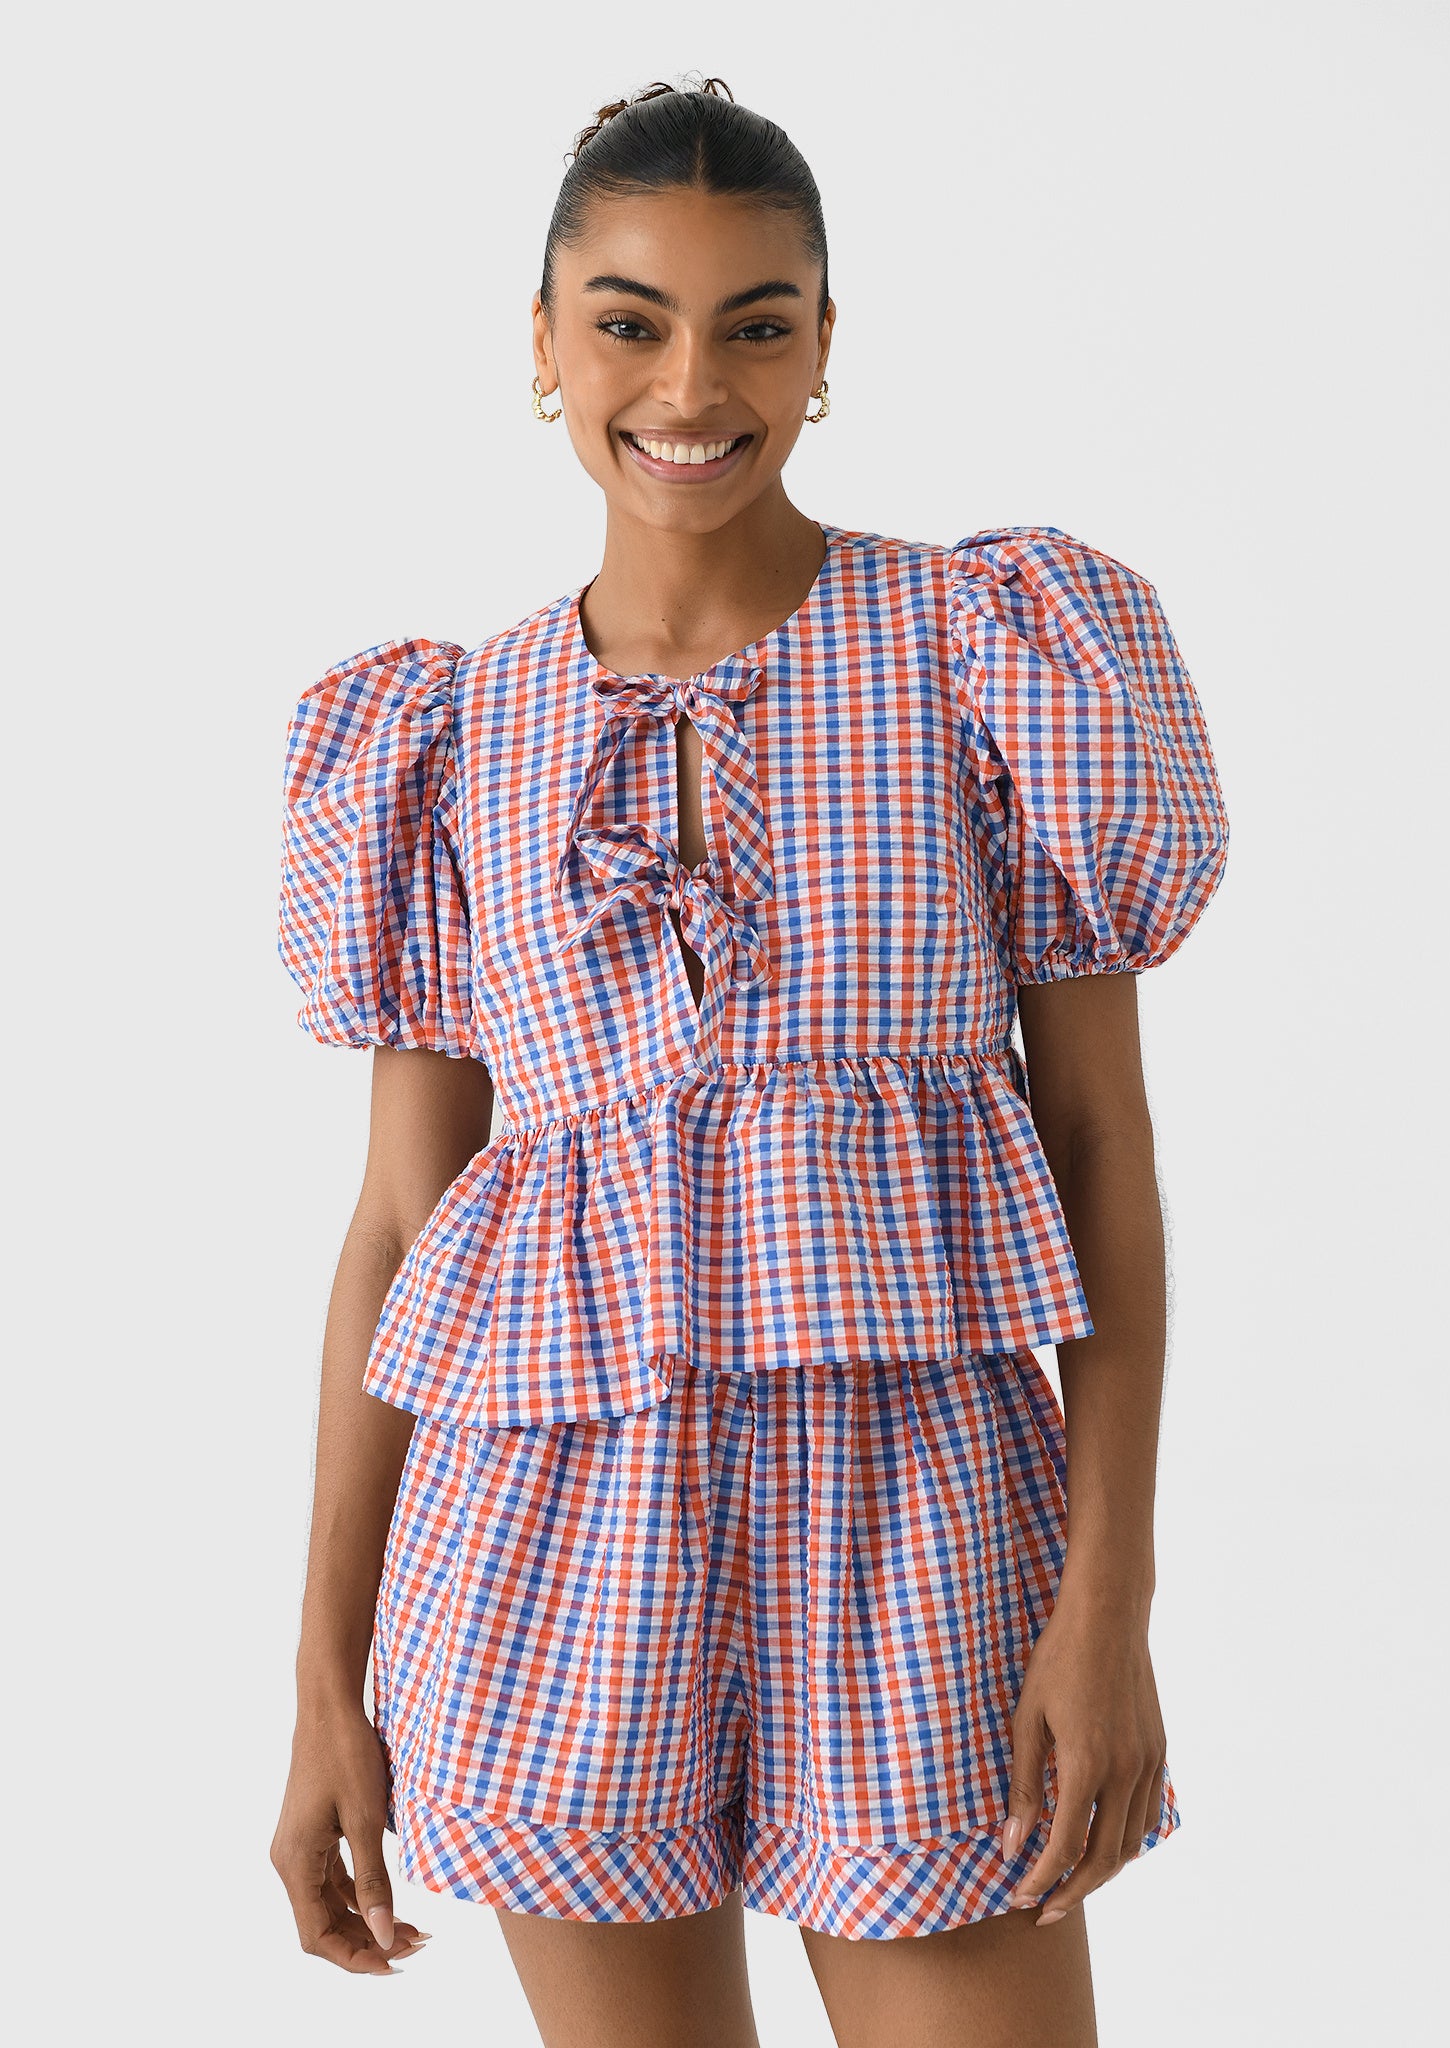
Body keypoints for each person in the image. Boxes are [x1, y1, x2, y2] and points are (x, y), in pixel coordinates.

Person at [268, 73, 1230, 2048]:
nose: (691, 385)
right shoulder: (446, 739)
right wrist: (320, 1684)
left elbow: (1099, 1139)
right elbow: (398, 1224)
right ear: (545, 343)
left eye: (755, 324)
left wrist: (1110, 1598)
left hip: (926, 1540)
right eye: (629, 320)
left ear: (823, 343)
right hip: (547, 1544)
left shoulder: (987, 651)